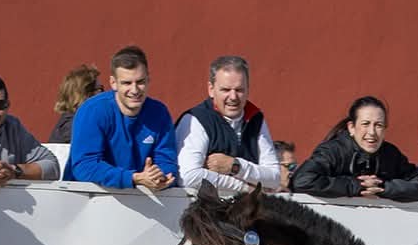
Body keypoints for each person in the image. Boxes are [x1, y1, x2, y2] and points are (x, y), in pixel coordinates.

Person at [62, 45, 177, 190]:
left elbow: (167, 161)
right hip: (88, 199)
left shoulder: (159, 112)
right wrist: (133, 178)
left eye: (140, 82)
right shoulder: (92, 111)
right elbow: (85, 166)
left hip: (145, 200)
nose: (135, 90)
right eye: (127, 83)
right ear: (113, 83)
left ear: (149, 79)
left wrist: (161, 177)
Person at [174, 55, 281, 196]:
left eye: (239, 90)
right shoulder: (196, 120)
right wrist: (245, 188)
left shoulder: (255, 118)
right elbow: (188, 177)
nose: (233, 97)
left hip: (244, 214)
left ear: (248, 89)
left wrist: (235, 166)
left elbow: (274, 178)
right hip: (204, 213)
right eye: (225, 90)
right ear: (211, 89)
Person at [290, 96, 418, 202]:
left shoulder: (391, 154)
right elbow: (302, 181)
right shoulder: (333, 151)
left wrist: (383, 187)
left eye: (378, 125)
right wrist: (356, 186)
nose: (372, 132)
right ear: (351, 127)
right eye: (365, 124)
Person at [48, 64, 101, 143]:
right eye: (99, 89)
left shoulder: (77, 121)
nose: (102, 94)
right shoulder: (73, 125)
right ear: (85, 94)